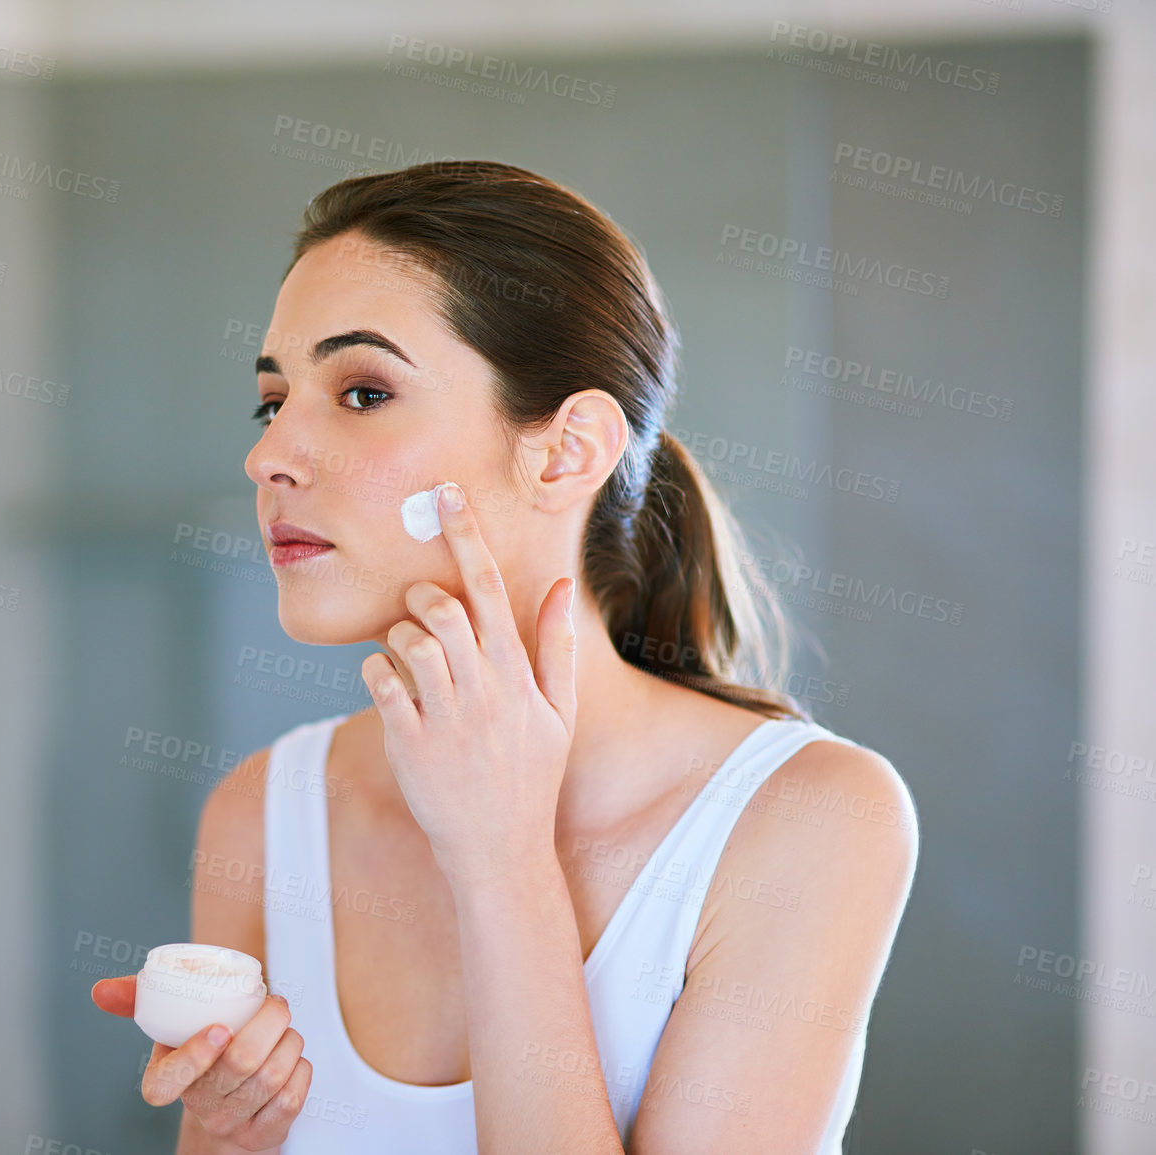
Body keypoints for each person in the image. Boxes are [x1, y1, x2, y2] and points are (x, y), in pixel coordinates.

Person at [91, 159, 918, 1153]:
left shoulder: (813, 819)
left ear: (567, 452)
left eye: (360, 392)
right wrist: (223, 1140)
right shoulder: (265, 812)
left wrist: (501, 857)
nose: (268, 458)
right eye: (274, 402)